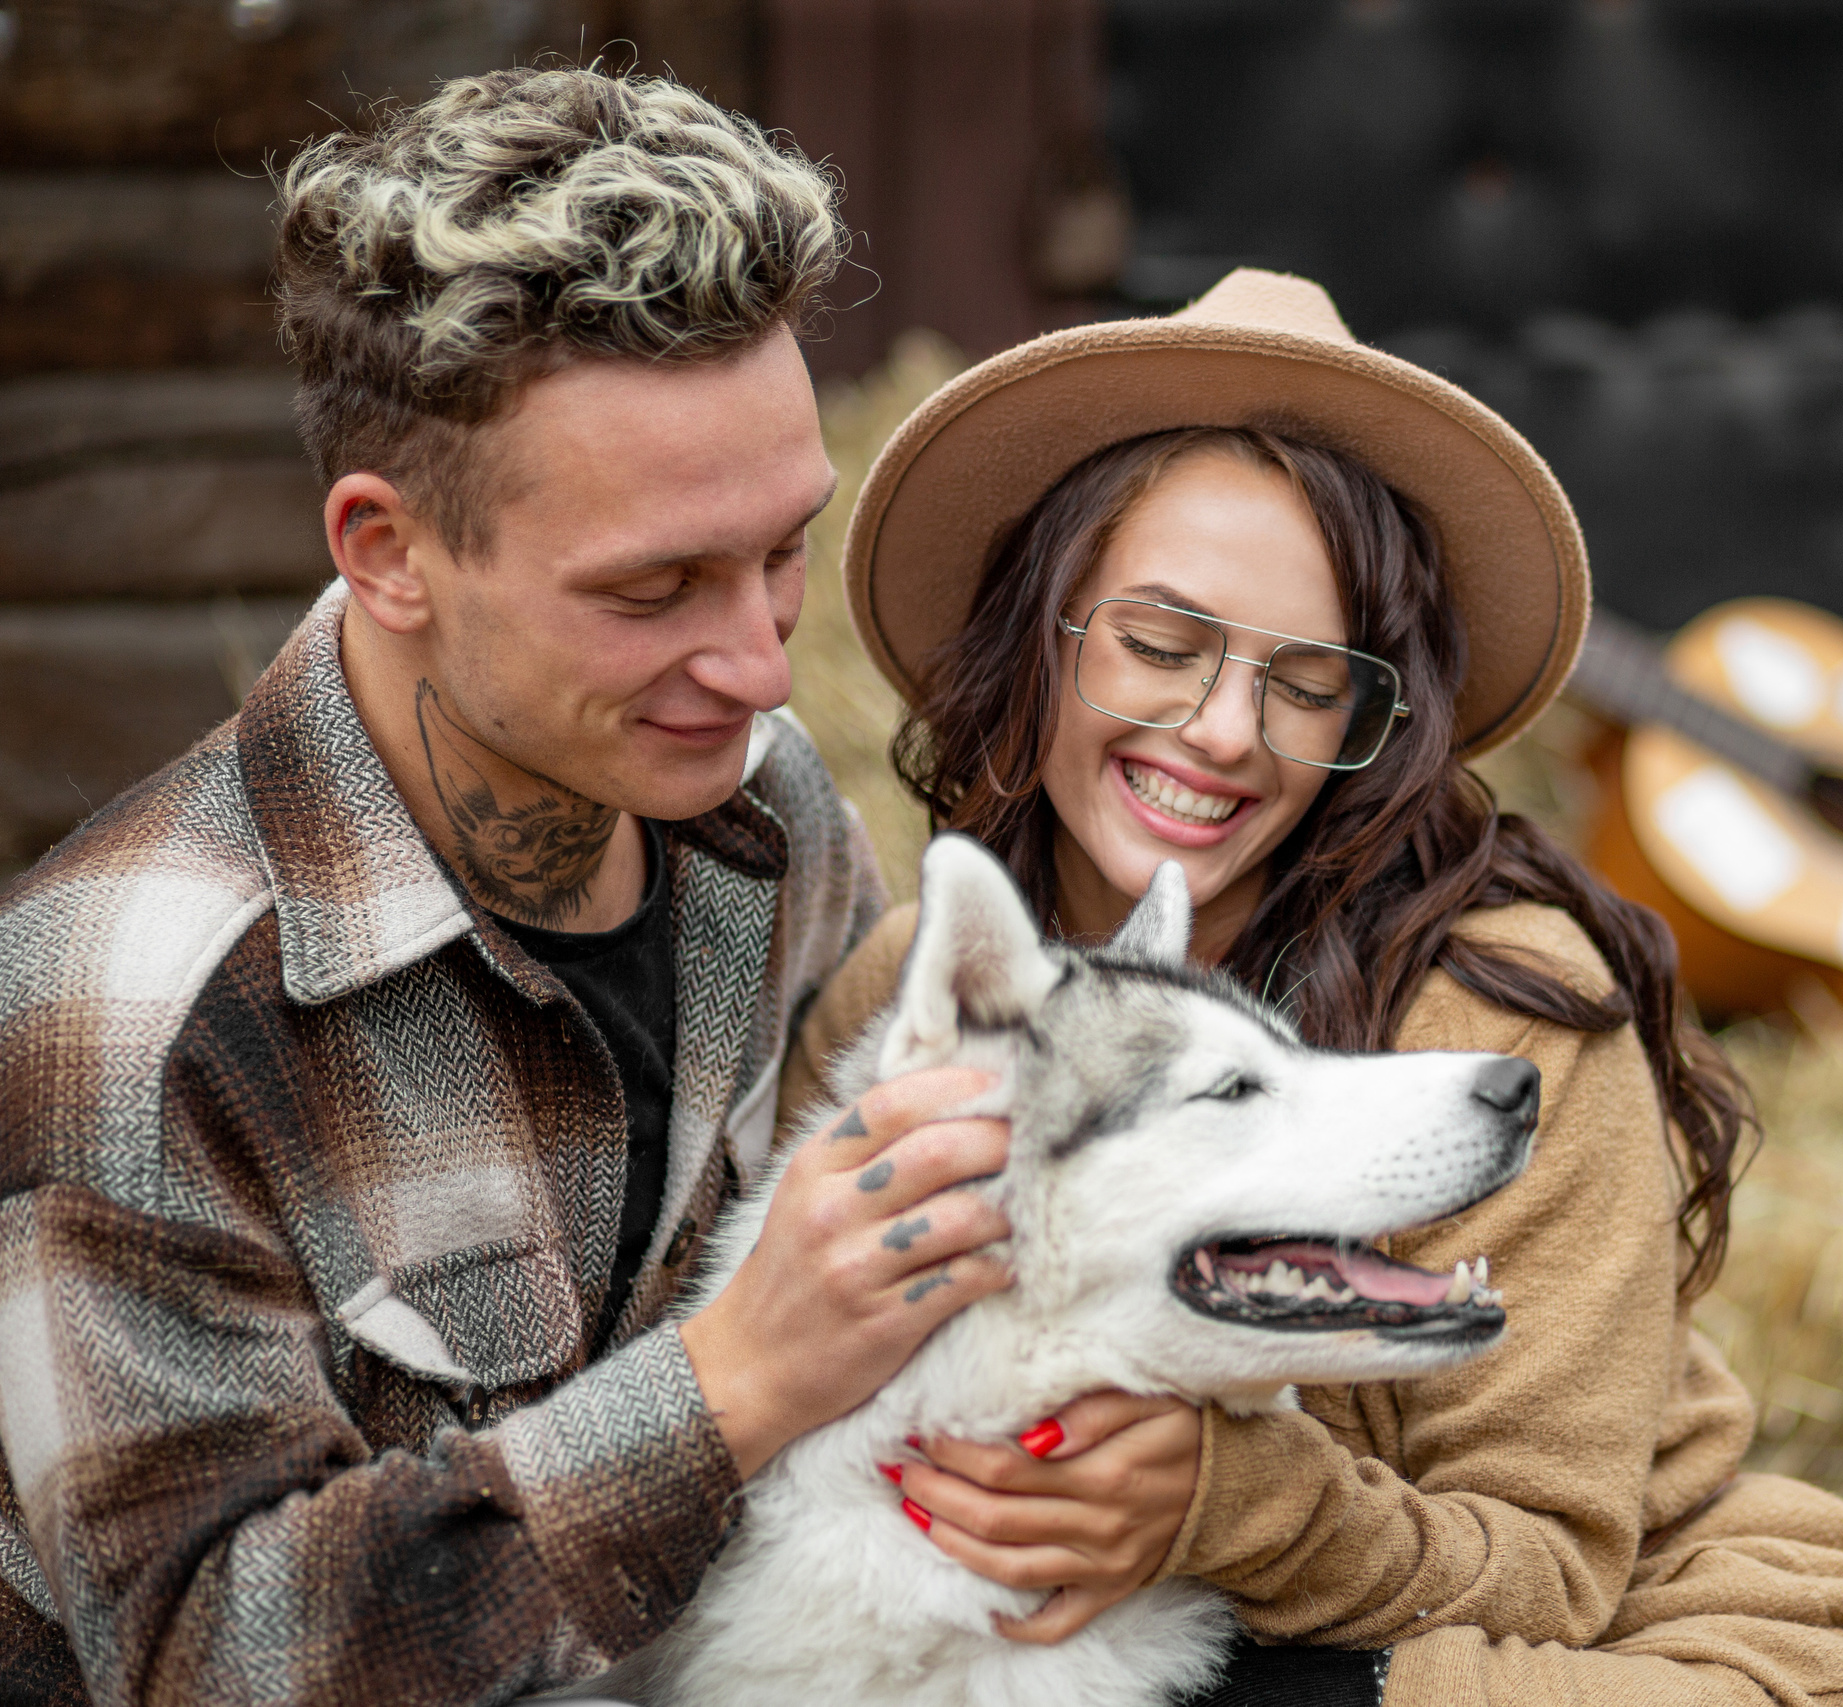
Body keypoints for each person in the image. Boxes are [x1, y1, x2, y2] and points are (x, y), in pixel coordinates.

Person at [778, 269, 1843, 1707]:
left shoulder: (1500, 1006)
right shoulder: (910, 1000)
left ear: (1372, 721)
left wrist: (1229, 1502)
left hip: (1554, 1631)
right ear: (1043, 630)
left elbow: (1556, 1564)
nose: (1221, 734)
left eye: (1308, 682)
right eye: (1159, 645)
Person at [0, 67, 1116, 1706]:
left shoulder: (772, 819)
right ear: (386, 552)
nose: (759, 665)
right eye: (654, 588)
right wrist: (731, 1383)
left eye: (782, 547)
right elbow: (209, 1664)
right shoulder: (122, 1008)